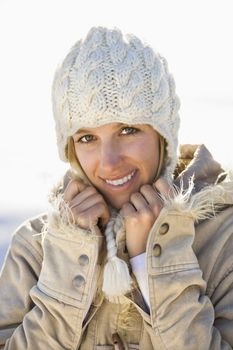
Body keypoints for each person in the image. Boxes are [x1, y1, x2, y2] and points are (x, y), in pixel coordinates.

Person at [0, 26, 233, 350]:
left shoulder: (225, 239)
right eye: (87, 138)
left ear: (164, 137)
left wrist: (152, 260)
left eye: (128, 129)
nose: (108, 162)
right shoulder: (35, 246)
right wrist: (68, 262)